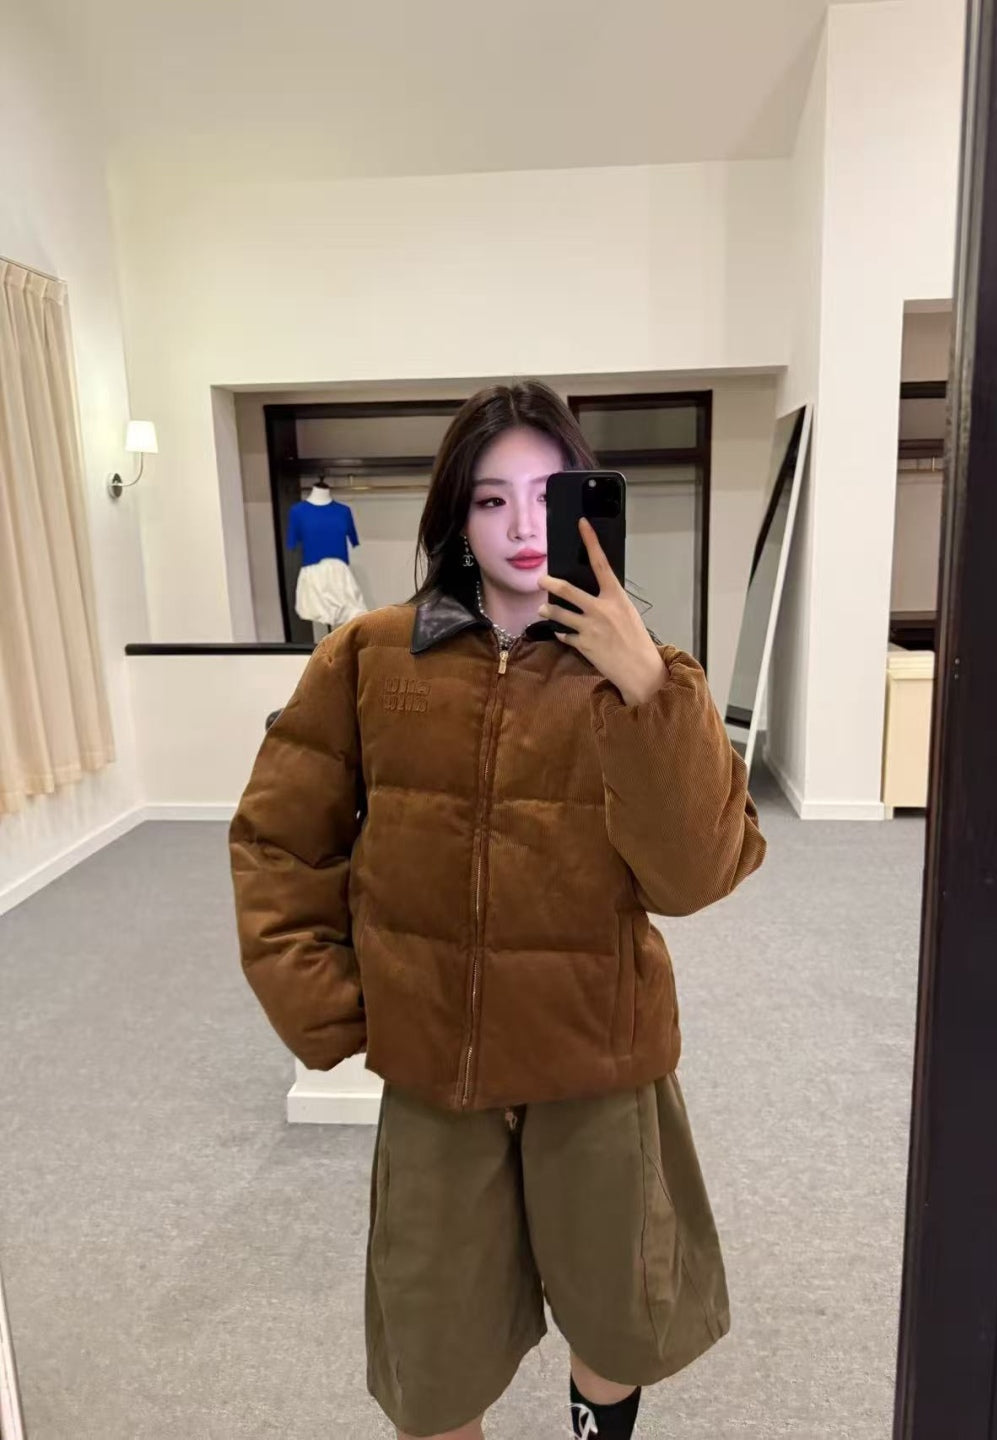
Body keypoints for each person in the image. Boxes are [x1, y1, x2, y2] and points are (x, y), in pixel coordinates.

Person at [228, 380, 766, 1440]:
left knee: (618, 1326)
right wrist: (333, 1006)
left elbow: (698, 876)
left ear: (584, 505)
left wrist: (649, 692)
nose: (522, 526)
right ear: (455, 518)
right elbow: (278, 839)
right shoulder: (370, 656)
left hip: (597, 1059)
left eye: (546, 495)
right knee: (433, 1363)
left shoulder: (650, 676)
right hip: (438, 1074)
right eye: (490, 499)